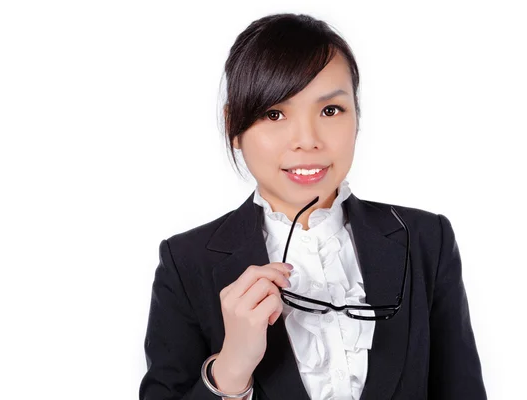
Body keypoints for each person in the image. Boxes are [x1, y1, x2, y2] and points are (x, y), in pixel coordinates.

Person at [139, 12, 487, 400]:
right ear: (233, 127)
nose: (307, 140)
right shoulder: (186, 262)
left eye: (330, 110)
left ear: (357, 116)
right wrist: (231, 369)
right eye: (274, 113)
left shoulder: (425, 240)